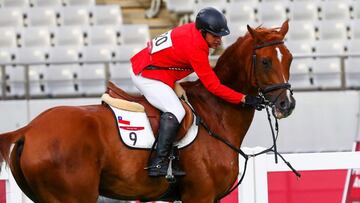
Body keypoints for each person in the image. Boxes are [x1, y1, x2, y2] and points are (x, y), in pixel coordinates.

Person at [130, 7, 264, 177]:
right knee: (177, 111)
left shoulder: (194, 30)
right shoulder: (197, 48)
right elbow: (213, 86)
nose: (219, 40)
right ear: (202, 32)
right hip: (146, 75)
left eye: (221, 36)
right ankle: (158, 161)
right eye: (215, 36)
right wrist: (243, 98)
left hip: (158, 69)